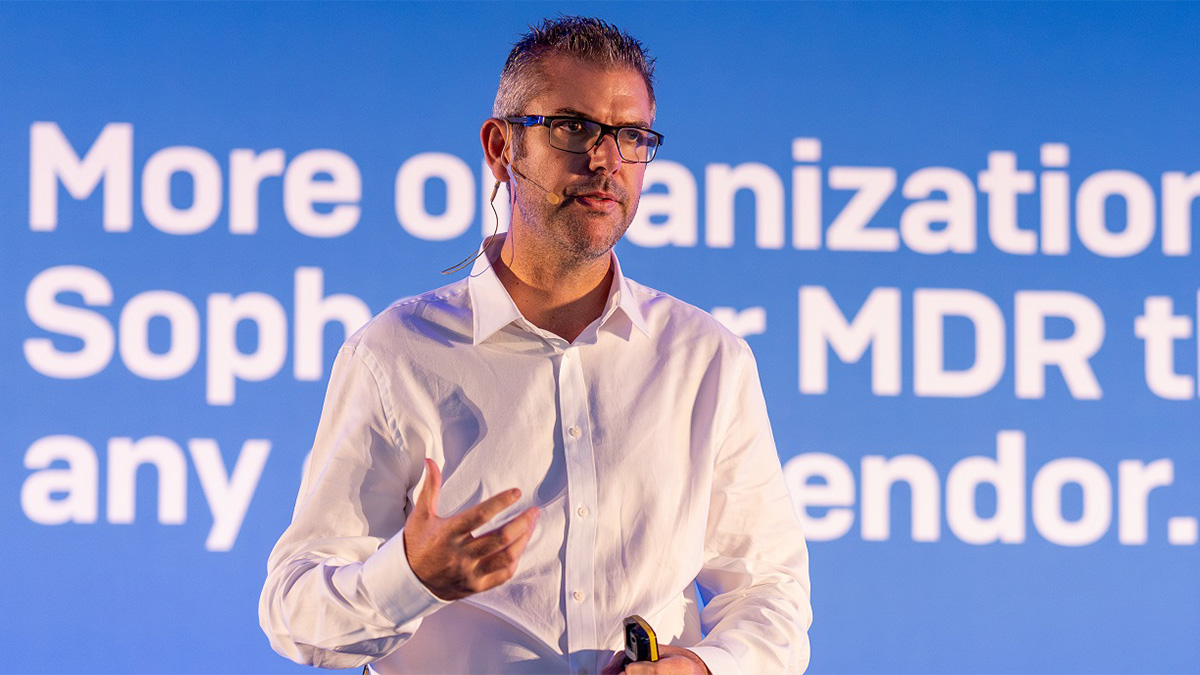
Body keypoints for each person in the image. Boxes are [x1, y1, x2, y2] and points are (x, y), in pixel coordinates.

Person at [259, 16, 811, 675]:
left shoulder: (706, 359)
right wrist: (411, 577)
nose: (606, 160)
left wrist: (701, 667)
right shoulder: (396, 355)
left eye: (631, 136)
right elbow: (294, 614)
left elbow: (770, 592)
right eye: (573, 127)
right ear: (501, 149)